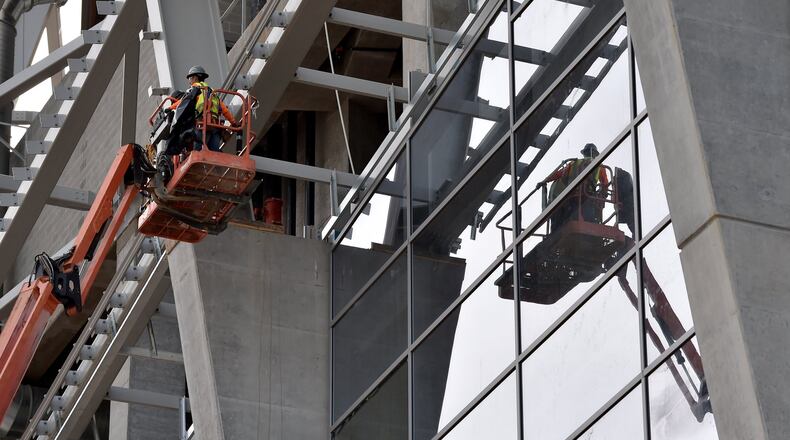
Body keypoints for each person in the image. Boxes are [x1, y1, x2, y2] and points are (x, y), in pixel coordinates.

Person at [538, 143, 609, 231]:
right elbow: (605, 184)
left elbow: (558, 174)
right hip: (588, 198)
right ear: (595, 154)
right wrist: (603, 196)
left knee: (564, 222)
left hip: (572, 198)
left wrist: (545, 181)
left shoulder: (574, 163)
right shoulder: (600, 166)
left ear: (584, 153)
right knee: (589, 222)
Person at [170, 65, 239, 152]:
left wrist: (170, 108)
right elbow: (225, 110)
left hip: (201, 125)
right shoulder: (212, 92)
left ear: (195, 77)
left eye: (190, 78)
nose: (189, 81)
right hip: (215, 126)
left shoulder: (194, 90)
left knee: (197, 150)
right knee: (215, 151)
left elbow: (182, 102)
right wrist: (233, 123)